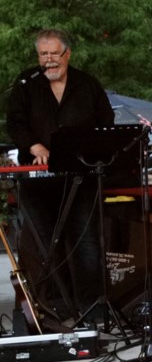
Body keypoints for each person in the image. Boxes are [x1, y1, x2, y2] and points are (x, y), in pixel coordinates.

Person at [6, 28, 115, 324]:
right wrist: (34, 145)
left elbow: (106, 122)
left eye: (55, 53)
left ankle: (93, 312)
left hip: (81, 176)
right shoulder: (26, 83)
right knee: (46, 245)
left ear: (68, 54)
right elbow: (14, 122)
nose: (49, 60)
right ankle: (56, 311)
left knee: (87, 243)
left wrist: (85, 149)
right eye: (44, 54)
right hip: (39, 180)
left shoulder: (87, 84)